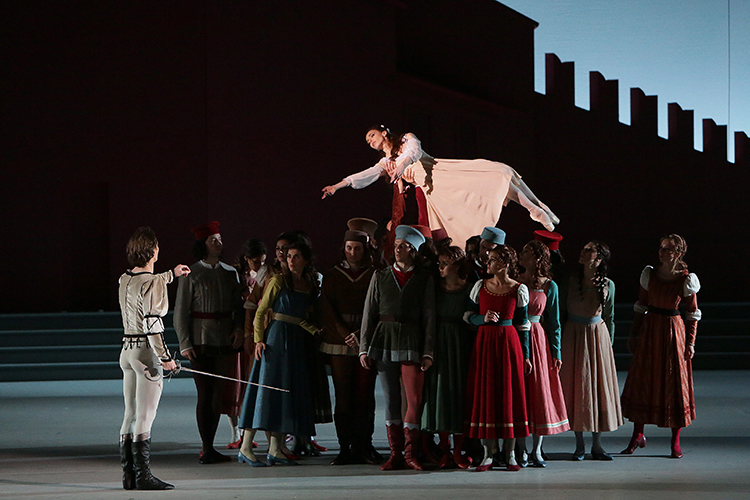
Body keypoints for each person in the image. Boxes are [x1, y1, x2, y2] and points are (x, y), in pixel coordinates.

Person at [321, 125, 559, 247]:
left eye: (372, 135)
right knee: (452, 231)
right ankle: (534, 209)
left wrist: (402, 166)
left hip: (442, 173)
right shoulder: (385, 162)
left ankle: (534, 208)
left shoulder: (406, 140)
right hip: (433, 192)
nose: (370, 141)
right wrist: (337, 185)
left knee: (496, 173)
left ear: (384, 132)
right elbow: (365, 175)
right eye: (367, 141)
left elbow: (414, 153)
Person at [118, 227, 190, 490]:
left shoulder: (124, 279)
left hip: (127, 351)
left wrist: (171, 274)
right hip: (146, 354)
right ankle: (143, 476)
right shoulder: (154, 283)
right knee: (145, 416)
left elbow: (144, 283)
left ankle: (129, 476)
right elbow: (153, 324)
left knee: (130, 414)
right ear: (153, 251)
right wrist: (166, 358)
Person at [359, 225, 436, 471]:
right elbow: (368, 313)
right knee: (391, 399)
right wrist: (364, 347)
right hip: (384, 341)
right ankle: (395, 454)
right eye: (396, 245)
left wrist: (428, 351)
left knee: (413, 400)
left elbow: (429, 316)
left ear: (413, 250)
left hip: (412, 342)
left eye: (403, 246)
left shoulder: (424, 279)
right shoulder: (380, 276)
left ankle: (411, 453)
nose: (398, 250)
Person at [238, 240, 321, 466]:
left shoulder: (306, 283)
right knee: (265, 390)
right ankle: (245, 447)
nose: (291, 260)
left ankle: (275, 448)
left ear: (305, 260)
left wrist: (314, 331)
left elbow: (299, 318)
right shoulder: (277, 280)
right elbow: (261, 310)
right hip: (274, 340)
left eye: (296, 256)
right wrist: (258, 340)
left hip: (294, 342)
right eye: (288, 256)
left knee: (284, 393)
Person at [620, 234, 701, 459]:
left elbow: (692, 313)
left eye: (667, 249)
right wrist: (634, 333)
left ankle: (675, 441)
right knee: (644, 379)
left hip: (673, 331)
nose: (662, 252)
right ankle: (637, 434)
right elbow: (641, 304)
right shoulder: (650, 275)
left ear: (677, 253)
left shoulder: (686, 279)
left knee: (673, 382)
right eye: (661, 247)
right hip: (651, 329)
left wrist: (691, 342)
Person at [174, 221, 245, 464]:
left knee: (218, 394)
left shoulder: (230, 272)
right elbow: (180, 312)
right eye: (213, 240)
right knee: (205, 393)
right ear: (203, 245)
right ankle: (206, 447)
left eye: (220, 239)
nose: (219, 243)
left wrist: (238, 328)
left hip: (225, 339)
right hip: (200, 340)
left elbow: (239, 306)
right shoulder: (191, 273)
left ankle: (211, 447)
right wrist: (185, 342)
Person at [464, 239, 531, 472]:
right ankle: (488, 454)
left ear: (504, 264)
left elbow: (523, 324)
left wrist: (526, 355)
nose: (487, 263)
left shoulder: (518, 289)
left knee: (509, 394)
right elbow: (467, 316)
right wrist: (481, 319)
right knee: (487, 394)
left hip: (508, 344)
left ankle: (511, 453)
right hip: (485, 345)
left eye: (492, 260)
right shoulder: (480, 286)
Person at [319, 226, 380, 465]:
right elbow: (327, 309)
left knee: (365, 396)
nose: (352, 252)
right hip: (339, 342)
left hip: (366, 341)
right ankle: (345, 447)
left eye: (356, 248)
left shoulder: (375, 273)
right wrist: (346, 334)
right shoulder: (333, 275)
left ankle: (364, 445)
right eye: (348, 248)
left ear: (365, 249)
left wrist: (360, 334)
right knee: (343, 395)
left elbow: (377, 307)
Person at [559, 241, 622, 461]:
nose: (583, 252)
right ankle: (579, 444)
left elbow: (610, 316)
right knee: (578, 388)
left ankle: (597, 444)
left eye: (589, 250)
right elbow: (561, 312)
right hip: (574, 336)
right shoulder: (571, 282)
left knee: (598, 389)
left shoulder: (607, 285)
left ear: (599, 258)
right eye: (583, 248)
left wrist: (608, 345)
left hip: (597, 337)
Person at [517, 240, 570, 467]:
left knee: (538, 391)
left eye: (527, 252)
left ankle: (537, 449)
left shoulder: (549, 286)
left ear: (538, 258)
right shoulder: (515, 281)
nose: (522, 255)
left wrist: (556, 352)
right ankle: (519, 448)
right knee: (519, 392)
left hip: (537, 339)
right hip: (517, 337)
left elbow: (555, 322)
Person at [420, 246, 473, 469]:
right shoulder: (434, 288)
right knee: (440, 396)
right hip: (439, 345)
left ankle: (459, 450)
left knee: (459, 395)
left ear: (458, 266)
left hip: (460, 344)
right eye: (439, 263)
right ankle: (444, 450)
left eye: (445, 264)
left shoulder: (469, 289)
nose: (440, 267)